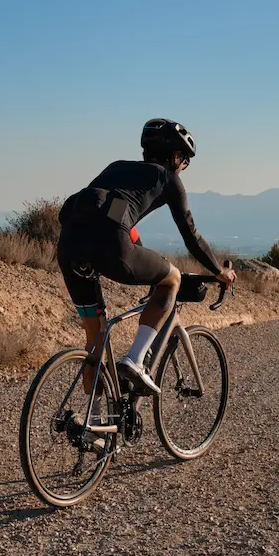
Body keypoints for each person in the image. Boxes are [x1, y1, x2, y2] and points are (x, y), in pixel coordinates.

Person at [57, 119, 236, 397]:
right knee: (172, 278)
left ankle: (92, 425)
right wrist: (218, 271)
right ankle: (136, 360)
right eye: (184, 159)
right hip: (111, 246)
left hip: (69, 245)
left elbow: (113, 213)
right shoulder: (169, 179)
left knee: (95, 339)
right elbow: (192, 236)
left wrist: (139, 252)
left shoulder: (117, 169)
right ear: (174, 155)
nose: (183, 166)